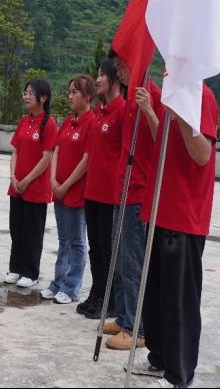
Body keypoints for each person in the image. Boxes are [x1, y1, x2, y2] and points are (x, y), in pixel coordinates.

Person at [129, 84, 219, 389]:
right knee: (156, 295)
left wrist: (182, 114)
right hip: (160, 207)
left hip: (184, 213)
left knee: (178, 301)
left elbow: (202, 154)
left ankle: (180, 375)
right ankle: (159, 359)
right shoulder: (174, 95)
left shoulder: (201, 97)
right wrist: (151, 112)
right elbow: (163, 143)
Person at [103, 49, 162, 351]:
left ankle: (137, 328)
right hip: (122, 189)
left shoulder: (151, 96)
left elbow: (162, 140)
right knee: (120, 258)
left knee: (132, 262)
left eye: (120, 66)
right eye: (115, 67)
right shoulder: (128, 100)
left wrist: (149, 109)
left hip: (139, 191)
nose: (118, 72)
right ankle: (125, 316)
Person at [78, 58, 126, 319]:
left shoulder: (122, 110)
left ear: (115, 79)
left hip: (110, 193)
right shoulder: (100, 112)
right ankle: (97, 293)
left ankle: (111, 300)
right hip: (92, 191)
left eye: (101, 75)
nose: (97, 80)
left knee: (108, 250)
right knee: (95, 247)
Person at [41, 75, 95, 304]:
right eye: (69, 91)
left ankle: (72, 287)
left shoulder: (91, 122)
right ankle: (58, 282)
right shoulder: (68, 122)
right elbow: (57, 150)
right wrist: (53, 179)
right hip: (59, 189)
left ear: (88, 96)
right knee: (63, 240)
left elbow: (86, 160)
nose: (70, 96)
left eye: (75, 92)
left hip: (75, 191)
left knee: (76, 241)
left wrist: (66, 185)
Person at [5, 79, 57, 289]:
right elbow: (15, 150)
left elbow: (47, 158)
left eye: (30, 93)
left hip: (35, 188)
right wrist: (13, 176)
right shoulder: (24, 121)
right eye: (25, 93)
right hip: (17, 186)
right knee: (16, 229)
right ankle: (15, 268)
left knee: (32, 232)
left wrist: (27, 180)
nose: (26, 97)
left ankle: (30, 272)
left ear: (43, 98)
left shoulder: (49, 124)